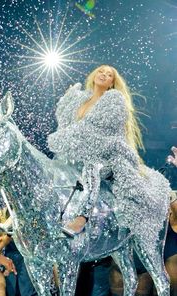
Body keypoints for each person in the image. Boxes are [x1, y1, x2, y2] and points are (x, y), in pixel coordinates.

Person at [48, 65, 170, 250]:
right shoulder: (81, 99)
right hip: (77, 153)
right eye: (101, 71)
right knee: (53, 166)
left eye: (109, 74)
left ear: (113, 82)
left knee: (92, 167)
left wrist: (77, 137)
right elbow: (65, 125)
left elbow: (101, 131)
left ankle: (82, 217)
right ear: (94, 75)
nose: (104, 75)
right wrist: (67, 100)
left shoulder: (114, 100)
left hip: (106, 156)